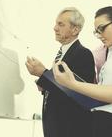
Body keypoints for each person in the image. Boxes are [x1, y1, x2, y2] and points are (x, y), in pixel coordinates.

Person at [53, 6, 112, 137]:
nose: (99, 35)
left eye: (101, 29)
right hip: (101, 124)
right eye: (96, 31)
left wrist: (72, 84)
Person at [25, 7, 95, 137]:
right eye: (56, 23)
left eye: (61, 24)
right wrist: (44, 86)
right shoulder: (62, 53)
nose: (55, 28)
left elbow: (78, 94)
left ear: (75, 29)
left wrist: (43, 73)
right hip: (55, 127)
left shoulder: (83, 54)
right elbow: (60, 88)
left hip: (70, 129)